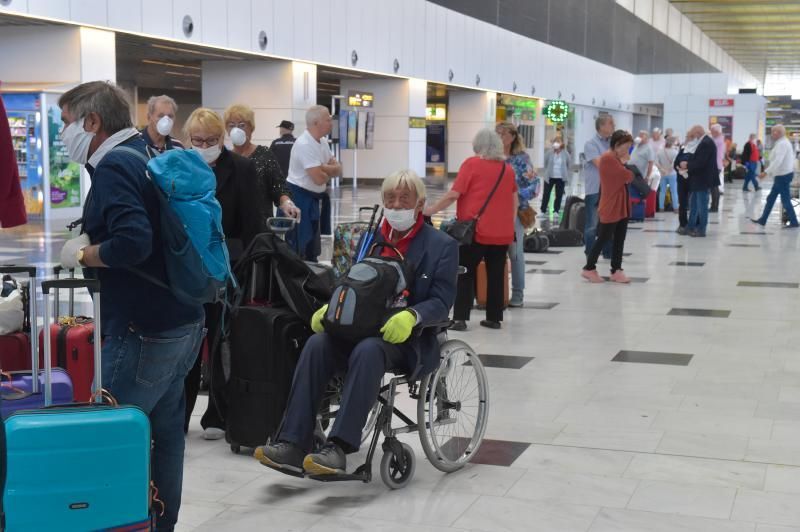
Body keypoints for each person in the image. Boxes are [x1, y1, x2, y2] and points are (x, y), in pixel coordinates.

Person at [57, 81, 205, 531]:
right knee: (163, 438)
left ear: (92, 122)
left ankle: (114, 523)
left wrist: (84, 254)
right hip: (182, 318)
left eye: (66, 123)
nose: (63, 134)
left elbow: (134, 242)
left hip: (146, 329)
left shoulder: (115, 166)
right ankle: (161, 526)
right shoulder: (145, 152)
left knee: (110, 437)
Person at [255, 169, 458, 476]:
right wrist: (329, 309)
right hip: (359, 326)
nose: (397, 205)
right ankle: (293, 442)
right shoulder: (369, 239)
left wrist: (413, 315)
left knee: (368, 351)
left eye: (405, 199)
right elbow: (348, 282)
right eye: (390, 198)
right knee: (317, 344)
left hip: (407, 339)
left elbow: (442, 302)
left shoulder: (441, 245)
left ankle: (339, 447)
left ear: (419, 203)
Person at [182, 107, 262, 440]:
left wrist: (236, 264)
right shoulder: (180, 166)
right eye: (198, 140)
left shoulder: (241, 169)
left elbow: (253, 225)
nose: (205, 146)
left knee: (220, 343)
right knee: (185, 344)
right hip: (187, 270)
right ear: (188, 140)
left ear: (222, 138)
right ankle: (180, 413)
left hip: (226, 270)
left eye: (212, 140)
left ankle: (218, 413)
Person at [424, 128, 517, 331]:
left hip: (475, 231)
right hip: (502, 232)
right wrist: (508, 225)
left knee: (465, 272)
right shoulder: (507, 169)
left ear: (478, 145)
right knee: (495, 273)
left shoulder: (472, 164)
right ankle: (494, 317)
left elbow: (454, 194)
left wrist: (430, 209)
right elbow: (514, 200)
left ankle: (460, 318)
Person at [223, 105, 300, 229]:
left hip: (260, 226)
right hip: (231, 227)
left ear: (251, 128)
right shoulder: (224, 159)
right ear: (226, 130)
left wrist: (287, 202)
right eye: (231, 125)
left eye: (242, 125)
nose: (236, 129)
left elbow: (279, 187)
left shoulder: (264, 154)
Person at [286, 106, 341, 261]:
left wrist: (323, 168)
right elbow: (319, 178)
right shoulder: (304, 144)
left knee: (312, 246)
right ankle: (297, 279)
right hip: (298, 199)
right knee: (299, 245)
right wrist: (328, 170)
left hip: (313, 199)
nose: (331, 123)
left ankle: (311, 274)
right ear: (316, 123)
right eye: (328, 120)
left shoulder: (322, 142)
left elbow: (338, 170)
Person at [581, 130, 634, 284]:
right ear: (617, 145)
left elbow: (626, 176)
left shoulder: (615, 158)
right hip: (611, 205)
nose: (627, 151)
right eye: (626, 147)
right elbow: (628, 176)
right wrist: (626, 165)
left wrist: (625, 164)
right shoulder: (608, 158)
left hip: (621, 205)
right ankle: (589, 268)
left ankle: (616, 270)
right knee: (603, 238)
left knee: (619, 239)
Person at [496, 121, 537, 308]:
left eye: (503, 134)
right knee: (493, 253)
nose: (500, 137)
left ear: (512, 137)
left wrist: (516, 197)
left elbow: (535, 186)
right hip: (492, 214)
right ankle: (493, 293)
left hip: (515, 213)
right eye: (497, 134)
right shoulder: (490, 159)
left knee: (515, 252)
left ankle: (518, 293)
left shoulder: (521, 159)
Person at [751, 125, 799, 229]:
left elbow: (778, 161)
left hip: (783, 176)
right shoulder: (781, 143)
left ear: (778, 133)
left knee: (785, 199)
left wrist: (766, 172)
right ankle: (763, 220)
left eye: (773, 132)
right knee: (771, 198)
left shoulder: (782, 144)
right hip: (781, 175)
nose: (772, 134)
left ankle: (794, 222)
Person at [582, 115, 615, 256]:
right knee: (592, 224)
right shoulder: (591, 144)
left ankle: (608, 252)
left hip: (611, 190)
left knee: (609, 223)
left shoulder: (613, 143)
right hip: (595, 189)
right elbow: (600, 164)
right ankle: (590, 252)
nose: (614, 126)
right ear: (601, 126)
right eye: (611, 123)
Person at [679, 125, 717, 238]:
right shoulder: (704, 141)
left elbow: (701, 162)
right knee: (694, 205)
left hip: (702, 179)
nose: (693, 137)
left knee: (702, 205)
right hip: (698, 179)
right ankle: (690, 226)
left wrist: (687, 165)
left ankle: (701, 229)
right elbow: (698, 159)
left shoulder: (706, 143)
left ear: (698, 132)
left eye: (693, 134)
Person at [540, 137, 570, 217]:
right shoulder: (549, 153)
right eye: (555, 142)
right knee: (546, 194)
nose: (556, 143)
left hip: (560, 178)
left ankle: (556, 211)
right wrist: (547, 172)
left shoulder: (565, 153)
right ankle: (543, 210)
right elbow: (545, 163)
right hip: (549, 177)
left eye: (558, 142)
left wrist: (565, 173)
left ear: (561, 144)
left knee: (559, 195)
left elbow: (568, 164)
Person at [655, 136, 678, 212]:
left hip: (662, 174)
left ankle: (661, 208)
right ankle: (675, 208)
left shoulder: (660, 151)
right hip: (672, 174)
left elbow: (656, 162)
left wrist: (662, 170)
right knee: (674, 191)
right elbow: (674, 163)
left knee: (662, 191)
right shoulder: (675, 151)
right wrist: (668, 170)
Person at [709, 123, 726, 212]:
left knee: (714, 187)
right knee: (714, 187)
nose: (711, 133)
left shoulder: (717, 141)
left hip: (715, 165)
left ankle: (714, 207)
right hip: (717, 165)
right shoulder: (719, 139)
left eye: (712, 132)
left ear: (716, 132)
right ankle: (714, 206)